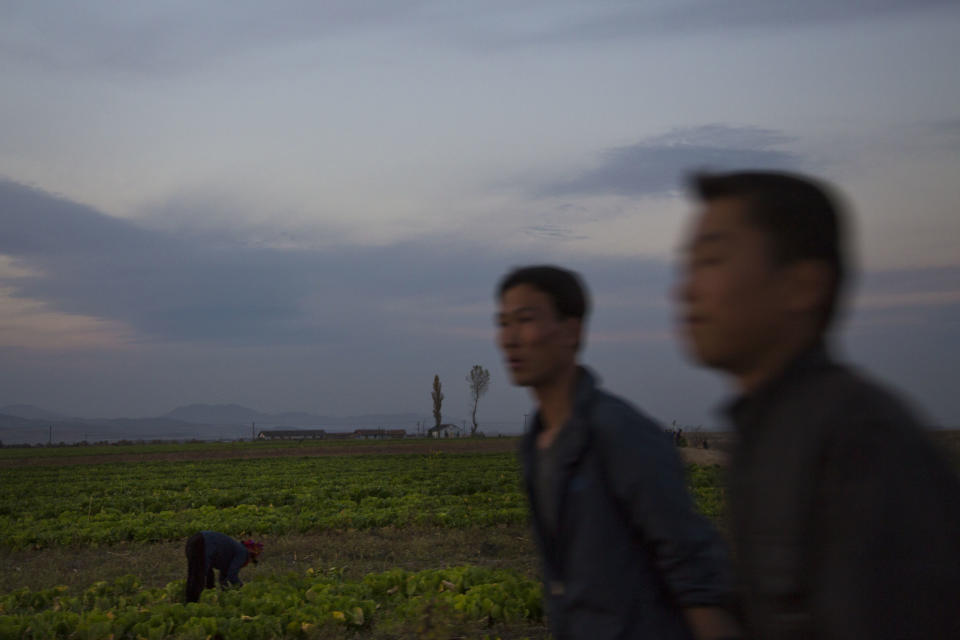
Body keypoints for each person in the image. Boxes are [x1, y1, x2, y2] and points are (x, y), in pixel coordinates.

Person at [675, 170, 960, 638]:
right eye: (688, 264)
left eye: (712, 259)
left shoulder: (864, 445)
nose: (687, 289)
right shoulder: (766, 434)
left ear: (802, 286)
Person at [496, 265, 739, 640]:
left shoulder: (620, 433)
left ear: (571, 331)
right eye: (503, 323)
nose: (509, 339)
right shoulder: (535, 444)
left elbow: (693, 567)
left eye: (525, 320)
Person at [185, 531, 263, 602]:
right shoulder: (243, 553)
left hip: (194, 540)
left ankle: (200, 600)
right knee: (198, 577)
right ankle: (191, 603)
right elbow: (232, 575)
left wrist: (224, 592)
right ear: (251, 557)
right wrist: (242, 589)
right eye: (252, 561)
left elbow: (224, 578)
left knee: (203, 577)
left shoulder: (233, 549)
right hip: (202, 543)